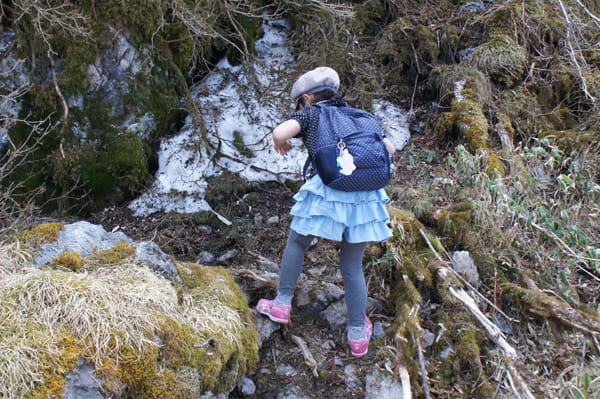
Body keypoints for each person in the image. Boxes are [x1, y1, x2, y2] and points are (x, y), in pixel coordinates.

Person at [257, 66, 394, 357]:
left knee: (297, 242)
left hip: (330, 192)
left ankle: (282, 304)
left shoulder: (311, 113)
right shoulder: (362, 117)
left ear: (307, 98)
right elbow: (388, 148)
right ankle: (358, 334)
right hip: (364, 197)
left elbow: (280, 131)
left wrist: (280, 140)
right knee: (352, 264)